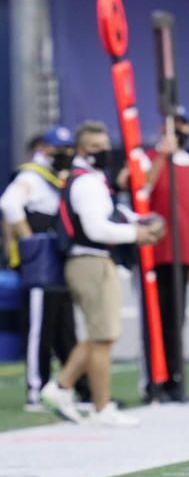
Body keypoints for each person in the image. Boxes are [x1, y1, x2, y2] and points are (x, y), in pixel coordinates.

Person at [39, 121, 165, 426]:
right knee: (103, 336)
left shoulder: (92, 179)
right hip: (90, 261)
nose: (104, 151)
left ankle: (63, 387)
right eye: (96, 147)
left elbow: (112, 215)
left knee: (101, 336)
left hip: (93, 261)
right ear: (81, 151)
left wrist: (142, 220)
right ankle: (98, 405)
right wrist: (136, 233)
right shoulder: (85, 182)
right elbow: (96, 228)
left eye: (105, 145)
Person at [120, 106, 189, 403]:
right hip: (152, 253)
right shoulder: (147, 159)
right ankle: (153, 381)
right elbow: (136, 186)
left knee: (176, 320)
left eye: (183, 125)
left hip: (181, 254)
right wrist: (161, 155)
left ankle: (175, 378)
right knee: (153, 321)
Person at [0, 125, 92, 410]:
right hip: (42, 258)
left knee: (65, 326)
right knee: (39, 326)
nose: (63, 154)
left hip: (61, 255)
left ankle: (78, 388)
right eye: (58, 149)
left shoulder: (65, 177)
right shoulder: (32, 175)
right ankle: (35, 390)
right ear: (45, 149)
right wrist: (28, 240)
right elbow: (9, 204)